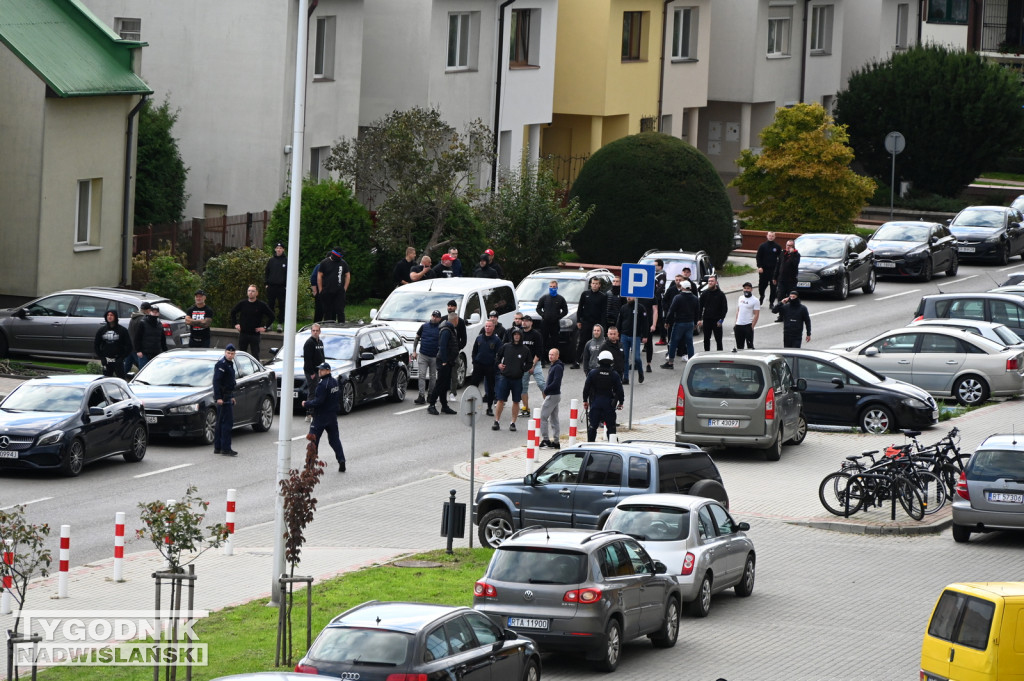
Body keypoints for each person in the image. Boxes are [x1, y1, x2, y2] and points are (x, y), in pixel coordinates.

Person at [302, 362, 346, 472]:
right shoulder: (334, 382)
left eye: (322, 370)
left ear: (328, 371)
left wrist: (306, 404)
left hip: (320, 417)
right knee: (334, 440)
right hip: (332, 417)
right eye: (319, 370)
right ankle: (341, 460)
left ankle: (309, 464)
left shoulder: (322, 385)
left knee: (313, 441)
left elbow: (319, 401)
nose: (319, 372)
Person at [583, 350, 624, 442]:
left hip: (596, 403)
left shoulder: (593, 373)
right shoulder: (614, 375)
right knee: (611, 428)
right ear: (611, 361)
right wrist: (621, 402)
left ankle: (590, 446)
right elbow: (619, 390)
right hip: (609, 404)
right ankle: (612, 447)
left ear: (599, 360)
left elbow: (586, 388)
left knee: (593, 427)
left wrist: (585, 400)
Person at [492, 328, 529, 431]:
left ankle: (513, 422)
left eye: (518, 334)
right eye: (515, 334)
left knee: (516, 401)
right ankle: (496, 421)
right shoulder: (506, 346)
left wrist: (523, 369)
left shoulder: (525, 350)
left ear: (521, 336)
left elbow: (529, 363)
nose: (516, 336)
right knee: (500, 400)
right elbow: (497, 356)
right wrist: (499, 364)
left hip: (517, 379)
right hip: (505, 378)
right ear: (512, 336)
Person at [427, 312, 459, 415]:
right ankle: (431, 404)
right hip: (444, 361)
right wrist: (445, 361)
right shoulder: (446, 330)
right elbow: (443, 346)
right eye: (457, 319)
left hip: (449, 361)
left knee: (445, 385)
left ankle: (444, 406)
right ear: (455, 319)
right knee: (440, 384)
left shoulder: (449, 329)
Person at [230, 284, 275, 359]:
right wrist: (236, 324)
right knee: (241, 354)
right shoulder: (242, 303)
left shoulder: (261, 305)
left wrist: (265, 327)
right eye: (249, 291)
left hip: (255, 334)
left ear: (257, 293)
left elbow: (272, 316)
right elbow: (233, 312)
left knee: (255, 354)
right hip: (243, 333)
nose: (250, 292)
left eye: (253, 291)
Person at [469, 319, 503, 416]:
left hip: (490, 366)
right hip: (479, 365)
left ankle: (489, 408)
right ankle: (472, 406)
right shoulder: (479, 338)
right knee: (473, 386)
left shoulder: (496, 340)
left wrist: (495, 364)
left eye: (489, 326)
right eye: (486, 326)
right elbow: (474, 351)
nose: (487, 328)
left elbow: (499, 354)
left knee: (490, 388)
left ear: (493, 327)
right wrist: (474, 361)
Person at [662, 281, 699, 369]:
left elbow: (671, 310)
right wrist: (695, 322)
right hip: (690, 323)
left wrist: (667, 321)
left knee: (673, 342)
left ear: (683, 288)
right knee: (689, 343)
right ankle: (691, 362)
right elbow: (697, 311)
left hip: (679, 322)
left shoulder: (678, 297)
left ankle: (670, 362)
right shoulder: (695, 298)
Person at [575, 277, 608, 368]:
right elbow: (580, 308)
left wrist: (602, 325)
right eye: (593, 283)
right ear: (590, 284)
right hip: (585, 322)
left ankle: (596, 361)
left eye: (597, 283)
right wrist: (578, 320)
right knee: (582, 342)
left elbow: (604, 312)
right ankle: (577, 361)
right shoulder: (585, 294)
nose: (595, 285)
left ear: (599, 285)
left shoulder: (603, 296)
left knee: (597, 343)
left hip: (596, 324)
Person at [616, 297, 649, 385]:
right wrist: (617, 333)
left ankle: (640, 372)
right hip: (624, 336)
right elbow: (619, 321)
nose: (629, 298)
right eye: (627, 296)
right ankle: (625, 378)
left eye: (631, 296)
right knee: (625, 358)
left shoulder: (641, 308)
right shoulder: (623, 308)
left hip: (636, 336)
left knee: (636, 358)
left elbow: (645, 323)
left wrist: (645, 335)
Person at [518, 315, 546, 417]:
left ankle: (548, 409)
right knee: (523, 387)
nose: (524, 323)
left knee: (542, 384)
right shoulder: (519, 334)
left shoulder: (536, 334)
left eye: (526, 321)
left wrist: (532, 365)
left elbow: (539, 352)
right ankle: (525, 409)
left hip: (535, 362)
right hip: (523, 364)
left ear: (531, 323)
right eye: (523, 321)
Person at [213, 345, 238, 456]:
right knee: (227, 423)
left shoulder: (229, 364)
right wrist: (218, 397)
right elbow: (217, 382)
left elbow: (230, 382)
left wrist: (232, 396)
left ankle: (218, 447)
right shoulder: (222, 365)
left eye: (232, 353)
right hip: (223, 397)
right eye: (228, 353)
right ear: (225, 352)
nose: (230, 355)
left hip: (227, 396)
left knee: (221, 423)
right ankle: (225, 448)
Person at [411, 310, 441, 405]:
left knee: (433, 376)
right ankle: (421, 396)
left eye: (436, 316)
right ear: (431, 316)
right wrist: (414, 351)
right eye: (433, 316)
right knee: (422, 375)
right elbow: (417, 338)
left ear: (439, 318)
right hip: (423, 354)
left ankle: (431, 394)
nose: (434, 318)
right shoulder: (424, 326)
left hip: (434, 356)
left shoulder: (441, 328)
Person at [94, 310, 131, 379]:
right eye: (108, 315)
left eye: (111, 315)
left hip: (118, 360)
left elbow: (129, 346)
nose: (109, 317)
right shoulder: (101, 330)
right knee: (106, 380)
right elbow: (96, 345)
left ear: (115, 317)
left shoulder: (123, 330)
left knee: (121, 379)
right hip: (107, 360)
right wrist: (102, 357)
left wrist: (122, 358)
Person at [318, 249, 351, 322]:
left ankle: (341, 327)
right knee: (327, 311)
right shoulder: (324, 262)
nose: (341, 257)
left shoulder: (343, 263)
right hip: (327, 291)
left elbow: (347, 275)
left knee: (340, 311)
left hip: (339, 292)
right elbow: (319, 275)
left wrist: (344, 288)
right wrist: (320, 289)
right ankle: (328, 327)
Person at [539, 348, 563, 449]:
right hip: (555, 395)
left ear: (557, 356)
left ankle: (546, 439)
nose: (550, 356)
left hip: (552, 395)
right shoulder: (555, 366)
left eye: (553, 354)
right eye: (549, 354)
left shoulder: (557, 367)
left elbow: (556, 382)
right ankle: (556, 441)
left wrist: (546, 390)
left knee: (543, 416)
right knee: (554, 418)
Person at [535, 280, 568, 355]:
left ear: (557, 287)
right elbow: (538, 308)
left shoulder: (560, 299)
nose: (552, 288)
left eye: (554, 287)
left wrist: (558, 317)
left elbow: (565, 310)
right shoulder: (544, 298)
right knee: (543, 341)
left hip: (555, 324)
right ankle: (542, 359)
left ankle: (555, 357)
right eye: (551, 286)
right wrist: (543, 315)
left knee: (555, 342)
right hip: (545, 323)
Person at [133, 301, 167, 369]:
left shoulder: (159, 324)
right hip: (144, 353)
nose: (154, 314)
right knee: (144, 372)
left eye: (156, 312)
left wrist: (165, 351)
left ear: (158, 313)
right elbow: (137, 338)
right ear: (150, 312)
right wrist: (138, 351)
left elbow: (163, 339)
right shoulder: (143, 322)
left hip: (156, 353)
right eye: (153, 312)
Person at [698, 275, 728, 352]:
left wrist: (721, 320)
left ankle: (720, 354)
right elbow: (700, 307)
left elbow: (724, 308)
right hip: (707, 320)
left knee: (718, 340)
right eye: (709, 281)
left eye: (712, 281)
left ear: (716, 282)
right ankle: (706, 354)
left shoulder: (721, 294)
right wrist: (699, 319)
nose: (710, 283)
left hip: (717, 320)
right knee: (706, 339)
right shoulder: (704, 294)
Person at [302, 323, 325, 420]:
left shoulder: (320, 342)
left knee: (316, 391)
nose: (315, 332)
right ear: (311, 331)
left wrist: (324, 369)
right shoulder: (309, 343)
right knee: (313, 392)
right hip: (311, 371)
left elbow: (322, 357)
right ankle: (311, 413)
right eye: (313, 330)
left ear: (320, 331)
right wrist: (311, 373)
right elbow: (307, 359)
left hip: (319, 370)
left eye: (317, 330)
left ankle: (309, 412)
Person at [446, 299, 468, 399]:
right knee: (442, 372)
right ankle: (440, 392)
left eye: (452, 306)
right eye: (449, 305)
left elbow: (464, 339)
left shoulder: (460, 321)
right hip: (444, 351)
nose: (450, 307)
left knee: (454, 373)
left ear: (455, 308)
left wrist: (457, 348)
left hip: (454, 352)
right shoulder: (443, 320)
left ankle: (452, 392)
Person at [774, 240, 801, 320]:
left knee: (791, 298)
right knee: (780, 297)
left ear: (793, 247)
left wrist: (792, 254)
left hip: (791, 280)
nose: (788, 247)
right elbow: (778, 266)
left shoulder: (796, 254)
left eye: (790, 245)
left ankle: (790, 315)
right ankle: (781, 315)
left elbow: (795, 263)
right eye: (787, 245)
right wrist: (775, 277)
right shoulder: (783, 253)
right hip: (782, 280)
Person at [264, 242, 287, 331]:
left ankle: (280, 324)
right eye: (277, 248)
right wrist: (266, 284)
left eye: (280, 248)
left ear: (283, 249)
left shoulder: (286, 260)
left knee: (281, 306)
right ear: (275, 249)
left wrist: (286, 286)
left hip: (282, 287)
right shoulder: (271, 260)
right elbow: (267, 272)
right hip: (271, 287)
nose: (279, 249)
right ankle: (270, 324)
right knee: (270, 306)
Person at [756, 231, 782, 306]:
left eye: (772, 236)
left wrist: (779, 269)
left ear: (774, 237)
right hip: (764, 270)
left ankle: (771, 302)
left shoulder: (777, 247)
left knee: (773, 287)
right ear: (767, 236)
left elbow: (780, 258)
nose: (771, 237)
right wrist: (759, 266)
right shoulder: (762, 246)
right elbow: (758, 257)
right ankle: (762, 296)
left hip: (773, 270)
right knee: (762, 285)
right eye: (769, 236)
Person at [734, 282, 761, 350]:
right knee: (739, 347)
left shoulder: (755, 300)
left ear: (751, 289)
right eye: (745, 288)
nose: (746, 290)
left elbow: (756, 314)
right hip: (738, 325)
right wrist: (736, 322)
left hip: (748, 325)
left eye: (748, 288)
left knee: (750, 346)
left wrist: (752, 326)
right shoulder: (740, 298)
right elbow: (738, 310)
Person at [653, 259, 669, 344]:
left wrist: (654, 295)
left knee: (659, 318)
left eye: (655, 265)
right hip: (654, 298)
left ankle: (663, 338)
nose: (654, 267)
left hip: (658, 299)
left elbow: (660, 287)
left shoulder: (662, 274)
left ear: (660, 266)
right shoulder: (653, 273)